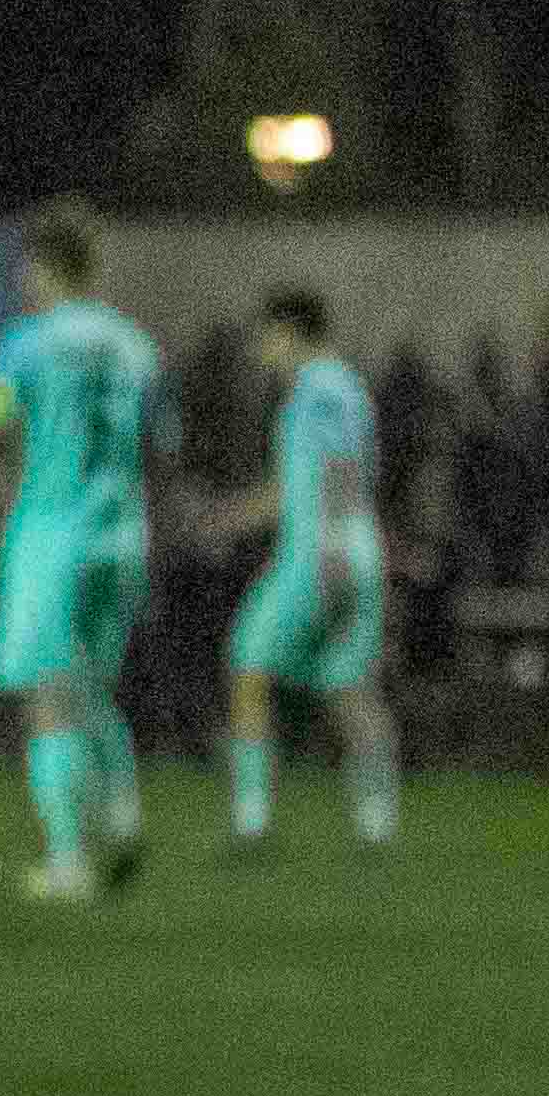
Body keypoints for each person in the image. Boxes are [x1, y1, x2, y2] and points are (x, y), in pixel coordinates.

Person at [0, 201, 163, 901]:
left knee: (47, 696)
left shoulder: (25, 344)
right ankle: (124, 816)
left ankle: (69, 863)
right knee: (90, 686)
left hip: (50, 532)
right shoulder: (138, 347)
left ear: (43, 265)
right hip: (122, 533)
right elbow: (164, 447)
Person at [210, 287, 396, 856]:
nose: (261, 347)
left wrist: (327, 554)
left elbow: (328, 473)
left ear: (289, 330)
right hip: (352, 551)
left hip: (320, 554)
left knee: (247, 666)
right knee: (350, 688)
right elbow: (322, 478)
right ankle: (376, 824)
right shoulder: (342, 388)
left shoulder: (318, 387)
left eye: (266, 335)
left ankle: (251, 819)